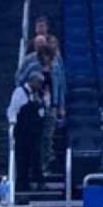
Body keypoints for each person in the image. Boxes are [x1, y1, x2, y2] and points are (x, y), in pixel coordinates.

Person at [16, 40, 65, 173]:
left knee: (47, 137)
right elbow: (19, 80)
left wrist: (61, 106)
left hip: (51, 106)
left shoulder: (56, 66)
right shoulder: (32, 66)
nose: (47, 59)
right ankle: (35, 167)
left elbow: (61, 86)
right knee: (35, 138)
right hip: (34, 107)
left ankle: (45, 164)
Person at [6, 70, 46, 191]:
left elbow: (42, 111)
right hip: (22, 132)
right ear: (32, 81)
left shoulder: (38, 95)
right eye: (39, 83)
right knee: (22, 159)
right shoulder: (19, 92)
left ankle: (38, 182)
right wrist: (12, 125)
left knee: (36, 157)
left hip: (35, 132)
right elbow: (12, 110)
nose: (40, 86)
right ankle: (22, 184)